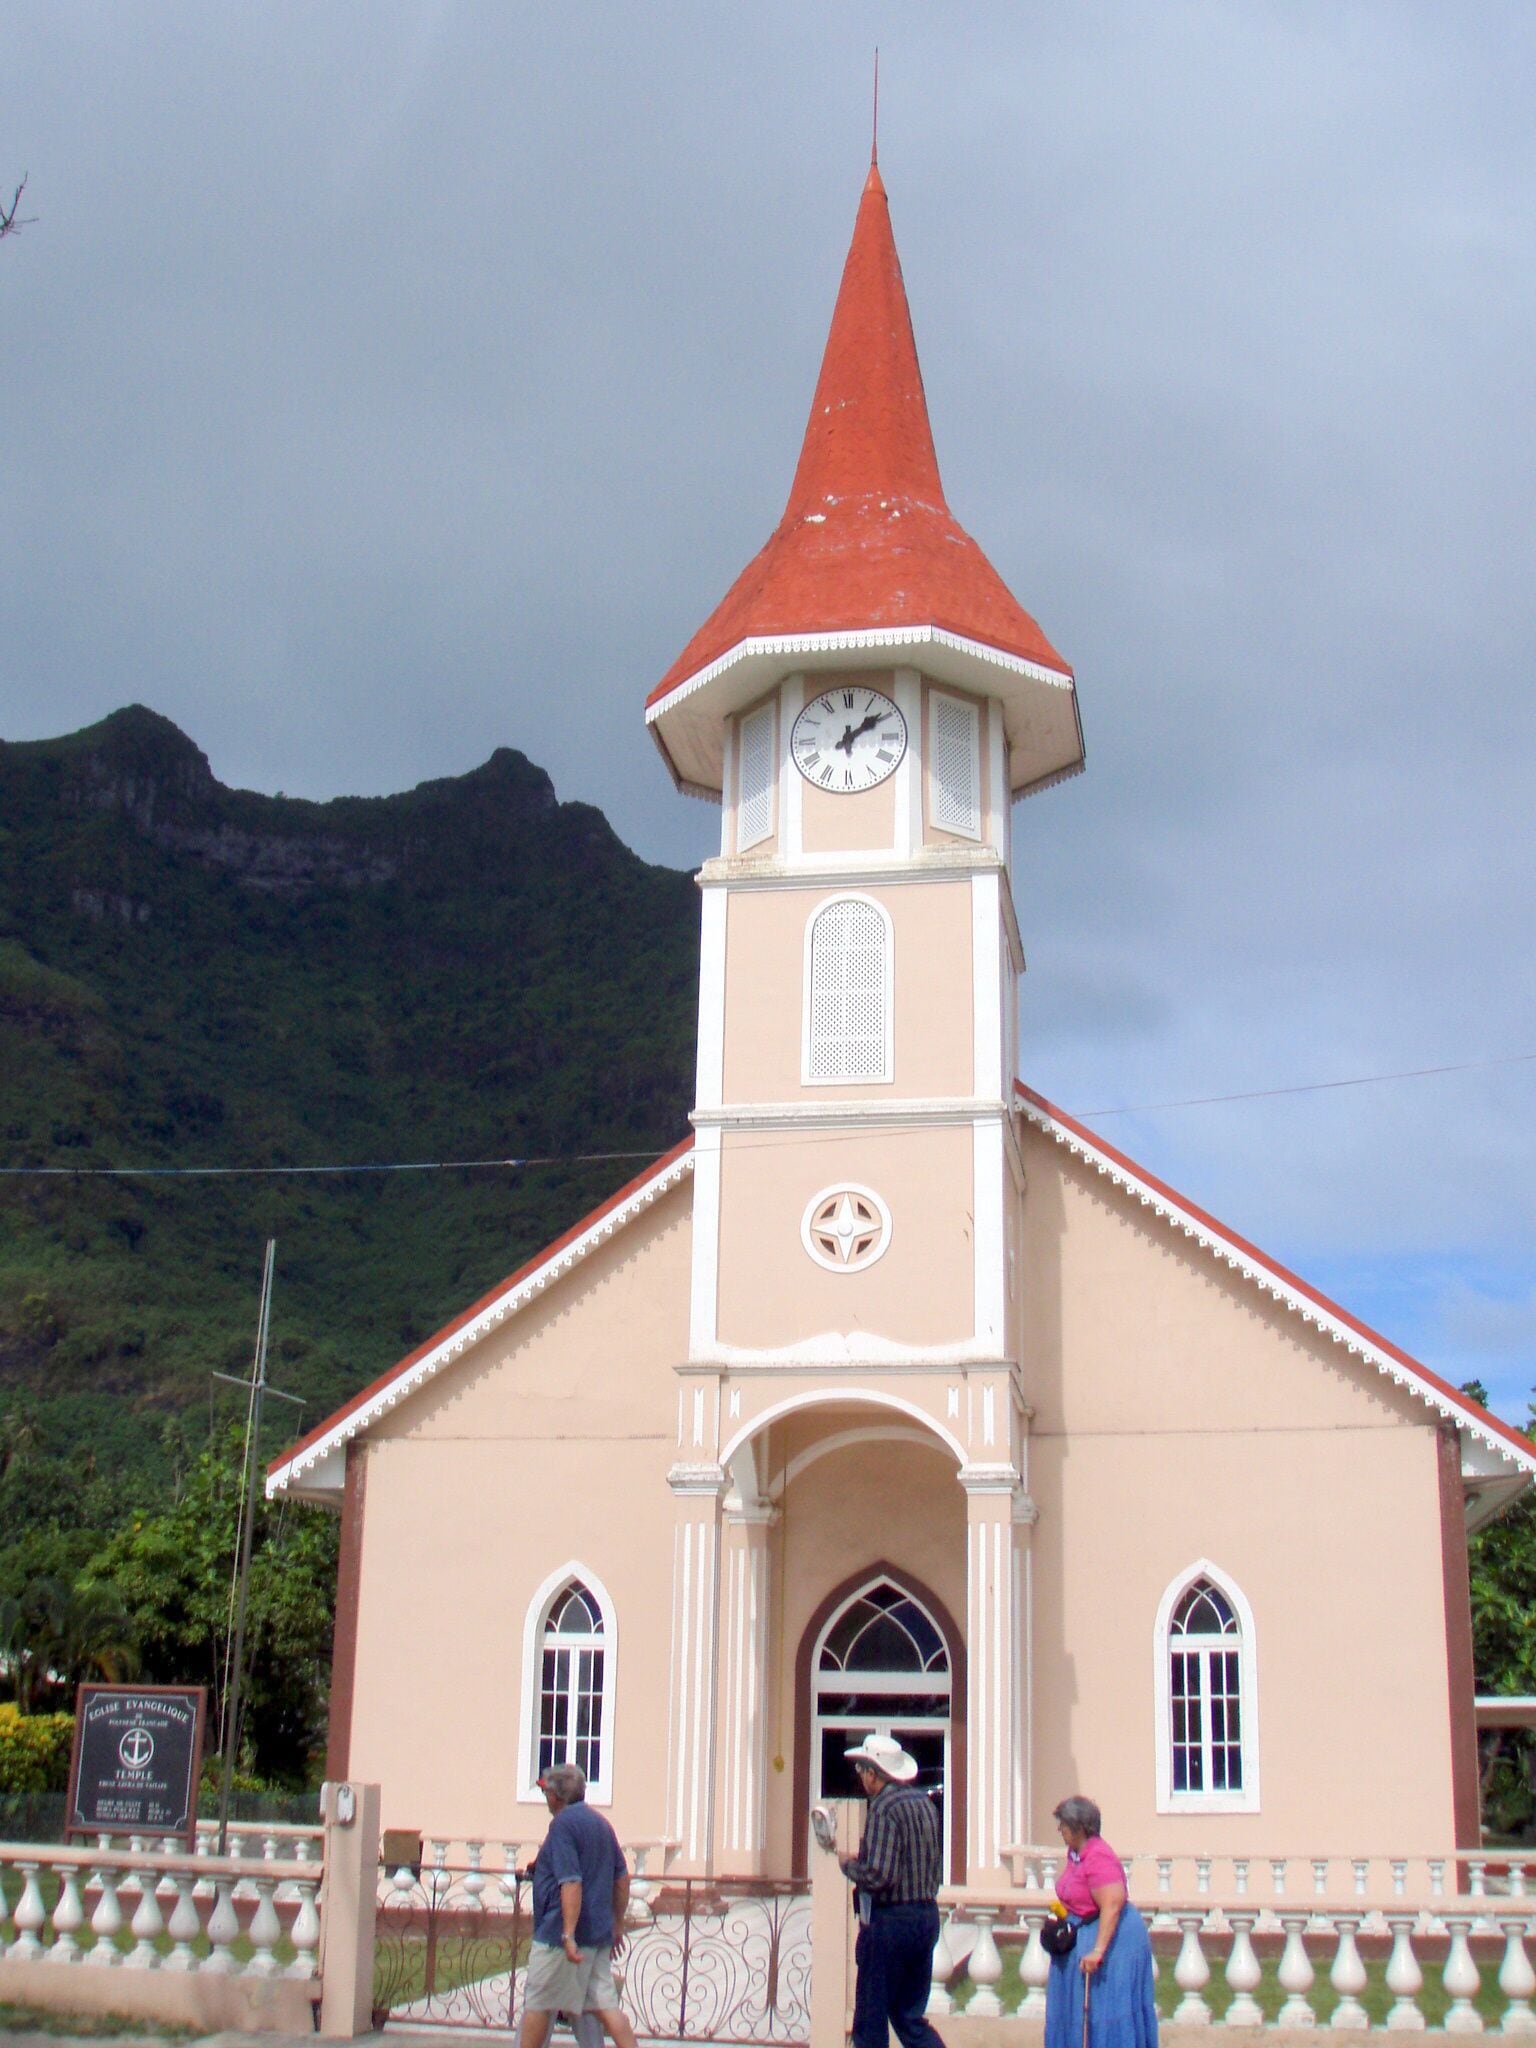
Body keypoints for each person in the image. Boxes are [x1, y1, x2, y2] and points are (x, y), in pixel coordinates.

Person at [837, 1734, 947, 2048]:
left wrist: (849, 1865)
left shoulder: (884, 1807)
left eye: (861, 1769)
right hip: (925, 1916)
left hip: (891, 1921)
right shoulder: (923, 1804)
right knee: (909, 2016)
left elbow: (880, 1875)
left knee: (871, 2015)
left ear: (874, 1773)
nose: (860, 1776)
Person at [519, 1763, 639, 2048]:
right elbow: (621, 1879)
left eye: (546, 1791)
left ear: (556, 1796)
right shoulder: (600, 1823)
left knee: (539, 2001)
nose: (545, 1796)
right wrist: (617, 1924)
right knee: (606, 2006)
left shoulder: (562, 1825)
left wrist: (568, 1934)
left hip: (560, 1940)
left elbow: (571, 1882)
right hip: (597, 1936)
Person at [1045, 1796, 1157, 2048]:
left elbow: (1112, 1904)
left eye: (1062, 1824)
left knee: (1107, 2011)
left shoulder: (1099, 1857)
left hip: (1113, 1943)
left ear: (1079, 1828)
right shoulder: (1076, 1854)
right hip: (1080, 1933)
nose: (1059, 1830)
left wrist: (1097, 1950)